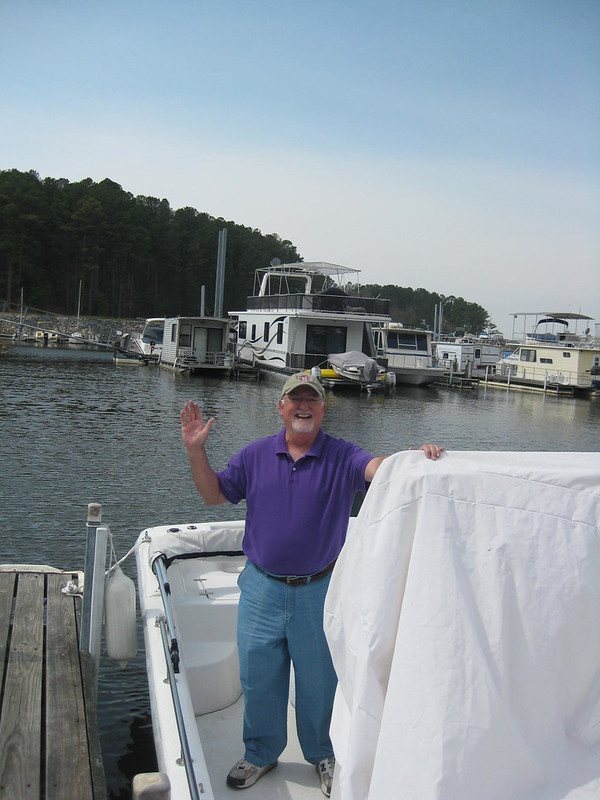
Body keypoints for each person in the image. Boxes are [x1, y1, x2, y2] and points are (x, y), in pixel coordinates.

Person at [180, 372, 443, 797]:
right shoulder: (254, 455)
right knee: (258, 677)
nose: (303, 406)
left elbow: (377, 469)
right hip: (261, 589)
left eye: (312, 400)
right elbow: (213, 494)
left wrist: (411, 461)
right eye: (295, 399)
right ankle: (261, 753)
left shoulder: (342, 455)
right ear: (281, 407)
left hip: (319, 590)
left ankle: (323, 753)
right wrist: (196, 450)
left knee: (320, 682)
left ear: (322, 409)